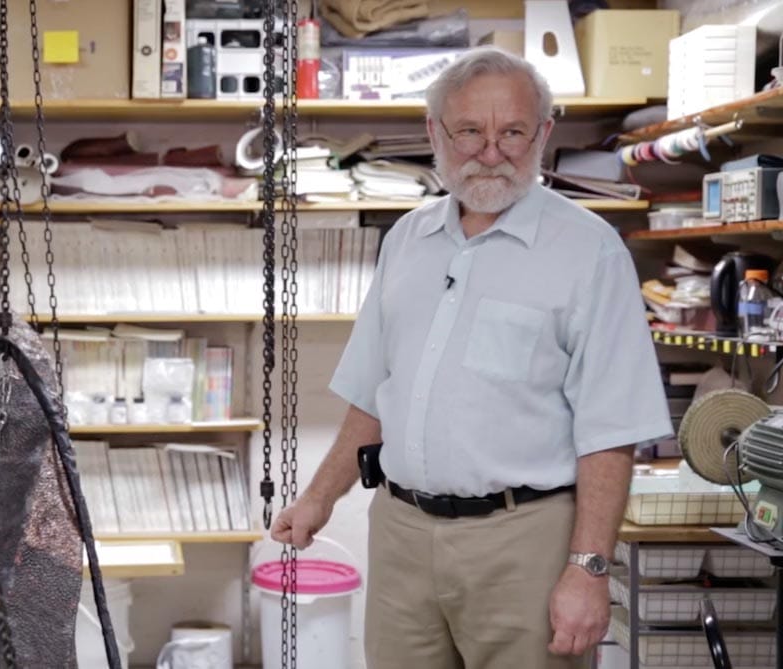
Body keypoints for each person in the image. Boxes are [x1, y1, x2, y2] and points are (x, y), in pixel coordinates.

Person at [269, 47, 672, 669]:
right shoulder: (407, 240)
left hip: (524, 543)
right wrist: (320, 498)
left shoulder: (590, 252)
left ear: (542, 133)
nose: (491, 152)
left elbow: (610, 432)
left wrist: (588, 569)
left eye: (512, 131)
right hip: (402, 534)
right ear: (435, 133)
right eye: (469, 132)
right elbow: (376, 392)